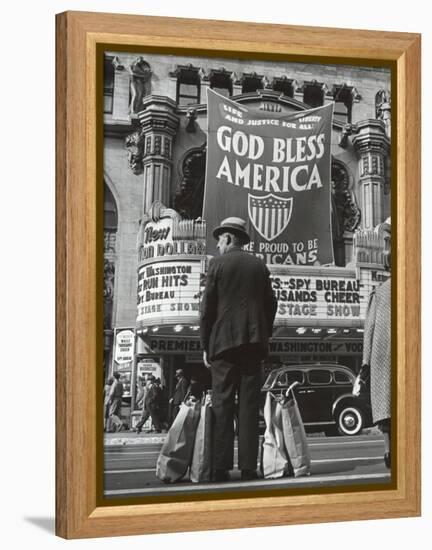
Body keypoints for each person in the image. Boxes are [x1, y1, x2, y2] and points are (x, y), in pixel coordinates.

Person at [200, 216, 277, 482]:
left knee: (222, 405)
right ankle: (248, 467)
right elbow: (271, 305)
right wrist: (263, 333)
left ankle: (220, 467)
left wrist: (205, 345)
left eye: (220, 240)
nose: (218, 245)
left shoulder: (217, 264)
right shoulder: (259, 266)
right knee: (248, 406)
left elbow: (207, 309)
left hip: (222, 345)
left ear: (229, 238)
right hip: (253, 345)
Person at [356, 219, 392, 468]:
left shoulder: (379, 292)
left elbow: (368, 331)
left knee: (387, 406)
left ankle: (390, 451)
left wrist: (365, 363)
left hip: (383, 358)